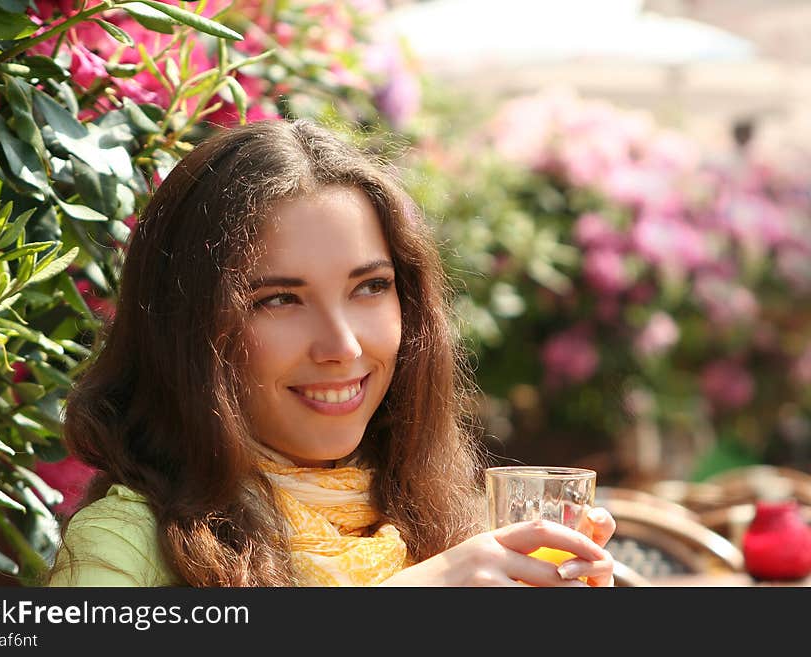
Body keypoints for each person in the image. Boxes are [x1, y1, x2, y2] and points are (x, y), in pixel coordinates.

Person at [46, 118, 616, 587]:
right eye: (279, 300)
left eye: (370, 287)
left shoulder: (442, 523)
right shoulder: (123, 546)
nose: (342, 346)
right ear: (188, 330)